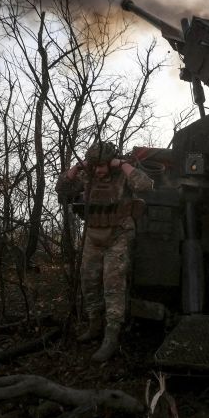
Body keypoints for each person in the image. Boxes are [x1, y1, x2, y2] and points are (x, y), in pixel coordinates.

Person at [56, 140, 153, 362]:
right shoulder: (88, 176)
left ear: (110, 163)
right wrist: (77, 168)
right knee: (88, 280)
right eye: (94, 165)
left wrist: (123, 165)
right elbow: (61, 189)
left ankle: (111, 335)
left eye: (102, 165)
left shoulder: (122, 176)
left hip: (118, 235)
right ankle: (94, 325)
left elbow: (146, 185)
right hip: (93, 236)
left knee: (113, 285)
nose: (98, 170)